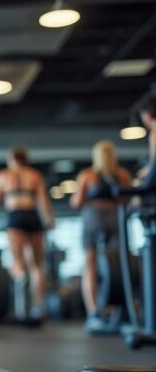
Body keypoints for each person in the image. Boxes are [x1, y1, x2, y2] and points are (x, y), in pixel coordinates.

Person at [70, 141, 132, 333]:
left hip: (93, 218)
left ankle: (94, 313)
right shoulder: (122, 175)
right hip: (114, 217)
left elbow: (76, 202)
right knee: (114, 267)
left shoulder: (88, 175)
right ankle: (112, 311)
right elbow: (128, 199)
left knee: (91, 265)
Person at [0, 147, 54, 321]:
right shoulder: (34, 176)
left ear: (11, 160)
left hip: (15, 215)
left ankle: (20, 294)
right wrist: (49, 219)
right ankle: (38, 307)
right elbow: (43, 201)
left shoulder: (3, 176)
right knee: (37, 265)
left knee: (17, 261)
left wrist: (7, 194)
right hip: (32, 215)